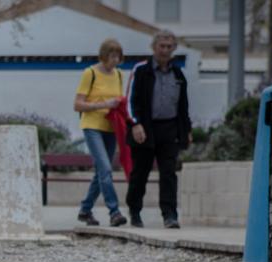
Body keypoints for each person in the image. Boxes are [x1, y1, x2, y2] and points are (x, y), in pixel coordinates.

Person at [125, 30, 191, 229]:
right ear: (154, 47)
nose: (165, 50)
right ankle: (135, 211)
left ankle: (170, 214)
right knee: (140, 173)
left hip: (169, 129)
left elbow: (183, 105)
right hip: (145, 128)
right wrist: (135, 124)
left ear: (174, 49)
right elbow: (129, 101)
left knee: (169, 173)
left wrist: (186, 129)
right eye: (162, 46)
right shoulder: (141, 70)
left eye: (169, 47)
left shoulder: (178, 74)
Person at [74, 39, 128, 227]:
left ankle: (85, 210)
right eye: (112, 56)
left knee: (100, 173)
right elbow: (78, 104)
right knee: (105, 168)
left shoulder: (120, 75)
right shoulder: (90, 73)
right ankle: (114, 212)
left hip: (111, 128)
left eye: (118, 57)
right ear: (104, 56)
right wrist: (104, 104)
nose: (115, 60)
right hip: (92, 126)